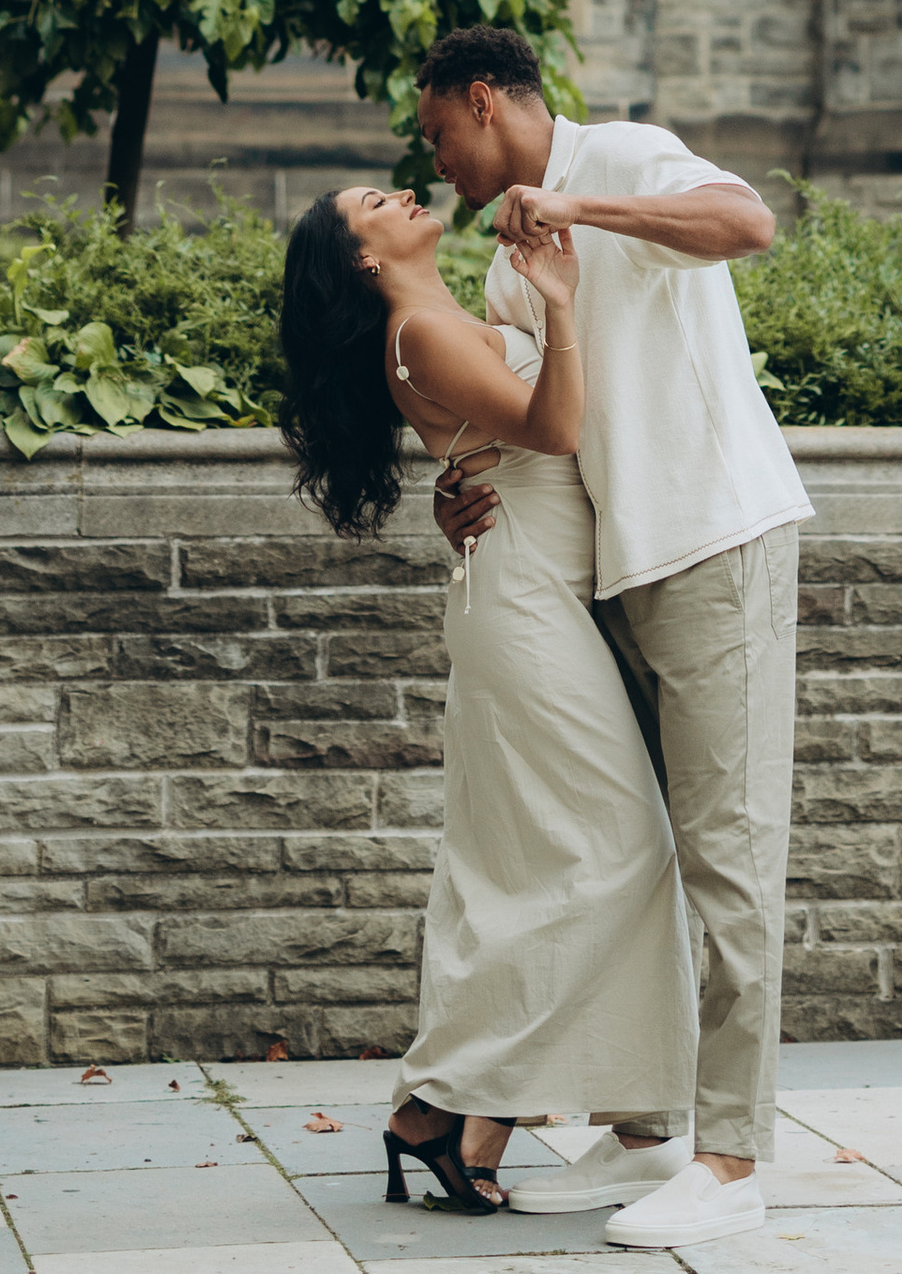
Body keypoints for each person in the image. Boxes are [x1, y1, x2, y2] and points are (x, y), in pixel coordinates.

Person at [417, 24, 811, 1255]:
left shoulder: (623, 158)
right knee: (635, 849)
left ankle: (731, 1162)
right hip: (607, 572)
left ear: (485, 100)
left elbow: (747, 222)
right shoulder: (502, 257)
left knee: (730, 860)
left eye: (439, 132)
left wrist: (579, 209)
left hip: (714, 541)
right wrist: (454, 490)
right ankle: (645, 1133)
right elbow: (539, 421)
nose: (436, 160)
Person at [276, 171, 695, 1221]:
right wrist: (559, 304)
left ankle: (466, 1117)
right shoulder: (419, 330)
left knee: (545, 863)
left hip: (541, 589)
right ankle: (447, 1100)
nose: (406, 191)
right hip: (522, 608)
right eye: (377, 203)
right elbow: (554, 432)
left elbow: (494, 447)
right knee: (617, 850)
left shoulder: (441, 319)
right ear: (362, 258)